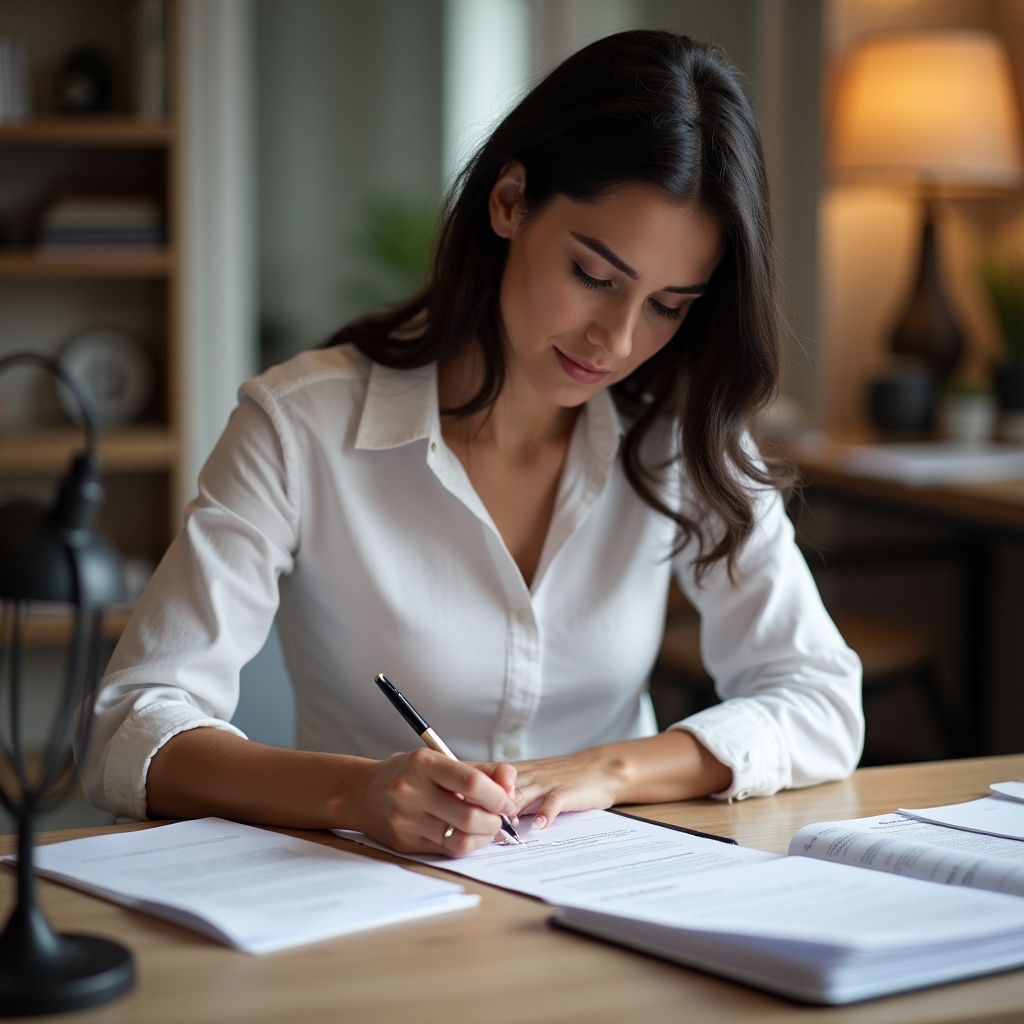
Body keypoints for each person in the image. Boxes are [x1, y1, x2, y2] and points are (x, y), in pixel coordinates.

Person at [79, 30, 862, 857]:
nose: (618, 339)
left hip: (618, 894)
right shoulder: (298, 425)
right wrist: (355, 789)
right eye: (595, 276)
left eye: (668, 305)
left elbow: (819, 697)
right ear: (510, 200)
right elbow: (132, 728)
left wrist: (609, 771)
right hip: (367, 899)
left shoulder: (684, 430)